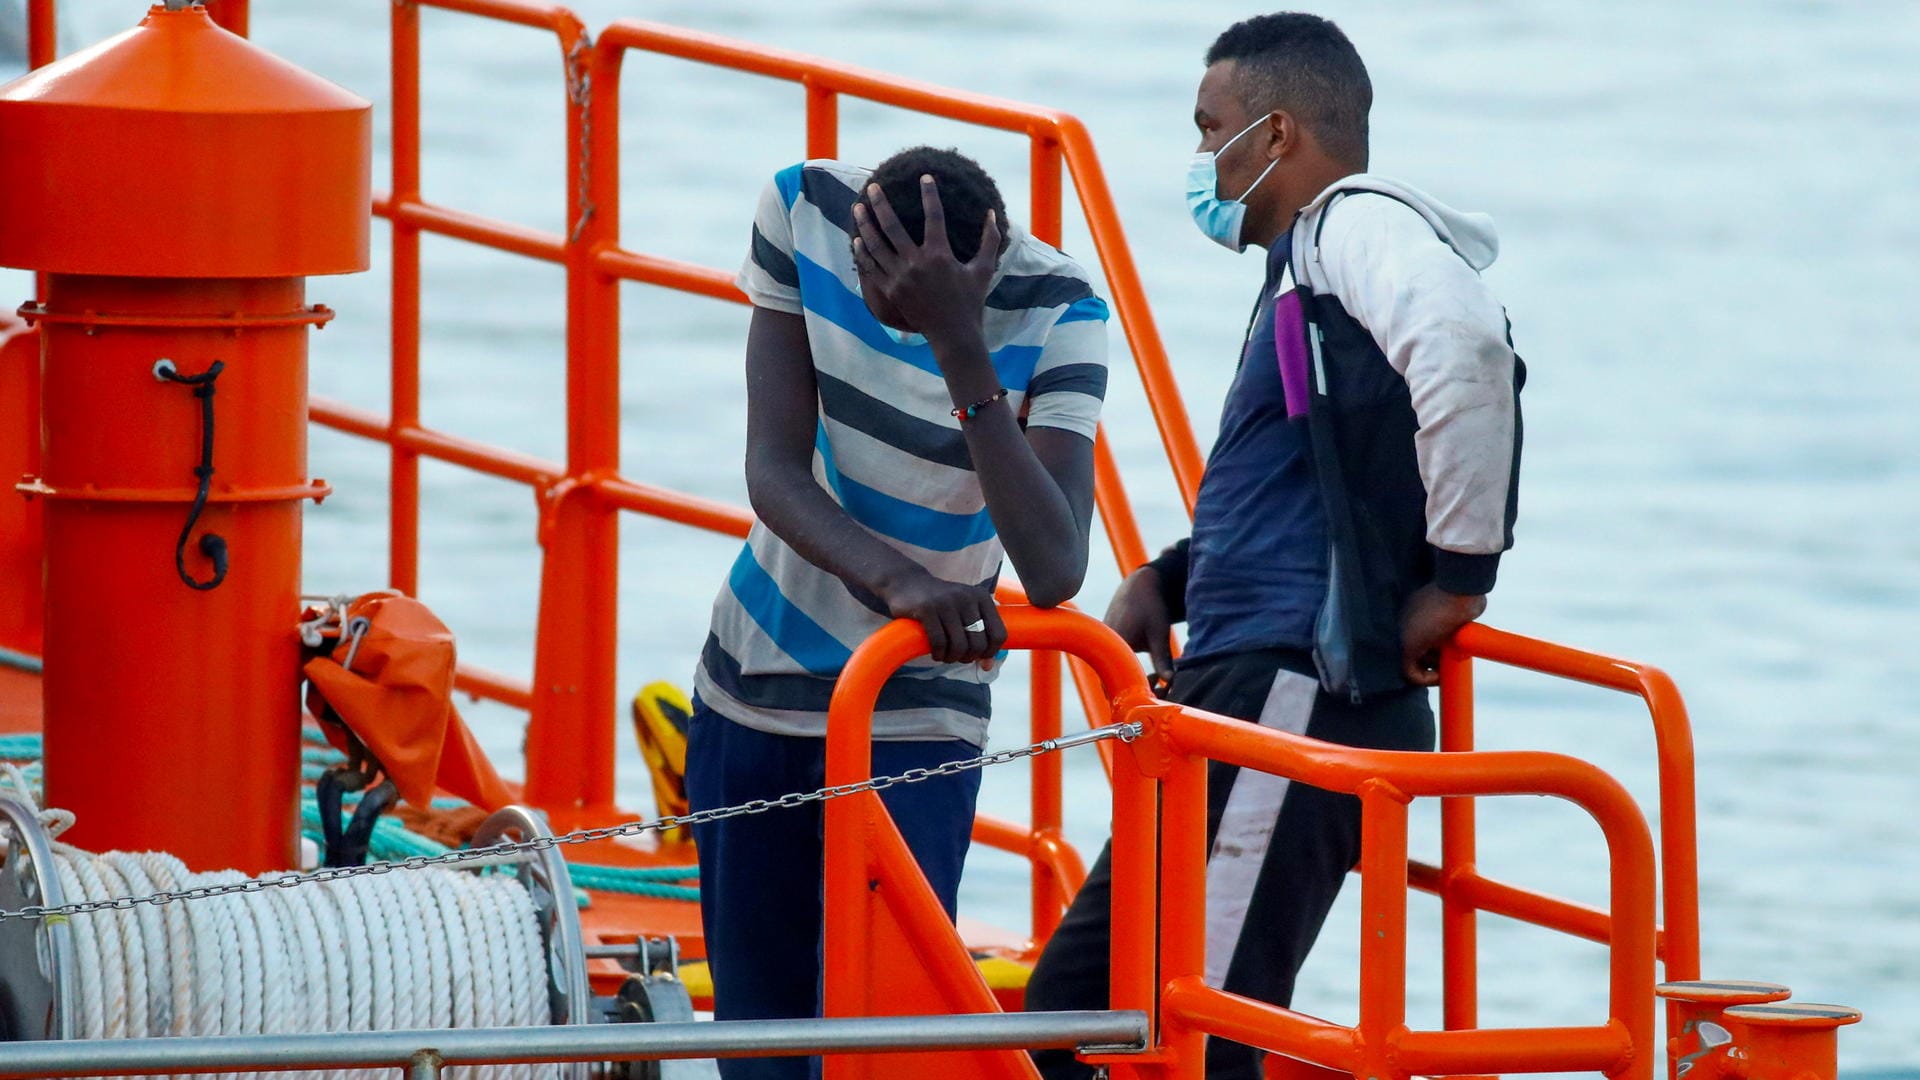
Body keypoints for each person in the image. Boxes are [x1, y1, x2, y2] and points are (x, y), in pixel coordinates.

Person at [1025, 13, 1524, 1079]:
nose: (1201, 160)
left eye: (1211, 130)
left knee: (1186, 1022)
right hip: (1246, 679)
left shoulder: (1356, 226)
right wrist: (1174, 578)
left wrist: (1461, 581)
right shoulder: (1305, 276)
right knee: (1091, 1003)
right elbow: (1317, 479)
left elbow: (1468, 346)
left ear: (1279, 132)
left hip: (1297, 689)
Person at [686, 145, 1110, 1080]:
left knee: (883, 1044)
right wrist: (901, 585)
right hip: (754, 686)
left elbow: (1053, 566)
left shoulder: (1061, 308)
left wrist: (962, 347)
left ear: (984, 270)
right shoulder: (805, 214)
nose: (892, 312)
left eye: (926, 296)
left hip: (918, 713)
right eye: (882, 286)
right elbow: (775, 472)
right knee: (760, 1043)